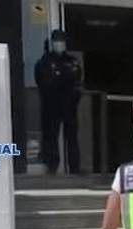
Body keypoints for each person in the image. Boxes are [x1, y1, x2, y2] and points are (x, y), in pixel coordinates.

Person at [34, 29, 82, 175]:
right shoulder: (44, 62)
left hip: (69, 105)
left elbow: (76, 80)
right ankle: (52, 166)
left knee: (72, 137)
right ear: (52, 43)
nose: (59, 44)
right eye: (57, 41)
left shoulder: (71, 61)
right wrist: (60, 79)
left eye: (61, 41)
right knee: (51, 136)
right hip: (51, 106)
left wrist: (62, 79)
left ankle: (74, 167)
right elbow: (43, 82)